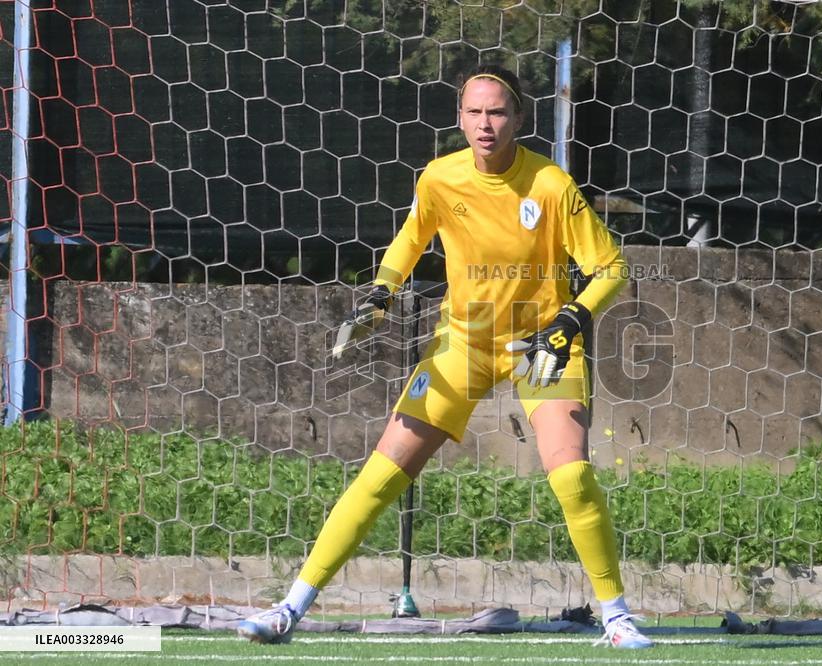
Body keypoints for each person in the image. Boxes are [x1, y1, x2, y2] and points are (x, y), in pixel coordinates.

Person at [237, 64, 652, 649]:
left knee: (573, 477)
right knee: (380, 475)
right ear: (460, 118)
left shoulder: (551, 185)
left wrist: (570, 319)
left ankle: (615, 615)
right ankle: (288, 608)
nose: (486, 123)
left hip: (541, 346)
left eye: (499, 112)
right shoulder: (439, 178)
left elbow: (612, 268)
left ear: (519, 119)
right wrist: (381, 291)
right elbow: (412, 236)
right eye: (475, 112)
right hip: (463, 341)